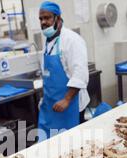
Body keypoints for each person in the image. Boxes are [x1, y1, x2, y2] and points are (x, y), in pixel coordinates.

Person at [37, 1, 90, 141]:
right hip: (52, 104)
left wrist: (67, 99)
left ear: (58, 19)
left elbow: (80, 73)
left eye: (47, 18)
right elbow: (47, 74)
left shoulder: (72, 40)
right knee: (51, 144)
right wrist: (44, 98)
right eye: (41, 19)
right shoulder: (48, 42)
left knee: (70, 144)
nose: (43, 22)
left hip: (70, 104)